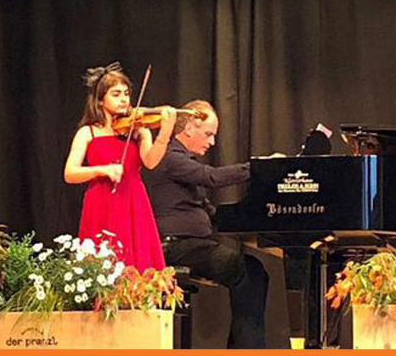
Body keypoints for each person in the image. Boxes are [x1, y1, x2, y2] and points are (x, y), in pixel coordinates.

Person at [143, 100, 268, 348]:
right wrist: (259, 168)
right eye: (208, 134)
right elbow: (211, 177)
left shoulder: (184, 162)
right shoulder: (169, 156)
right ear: (189, 127)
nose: (212, 142)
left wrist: (254, 220)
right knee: (249, 271)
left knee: (253, 271)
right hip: (175, 245)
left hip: (190, 245)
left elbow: (209, 211)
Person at [63, 61, 176, 271]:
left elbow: (151, 162)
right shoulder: (88, 132)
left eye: (126, 93)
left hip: (133, 199)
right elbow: (70, 173)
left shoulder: (138, 130)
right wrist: (103, 169)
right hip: (101, 201)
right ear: (100, 100)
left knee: (138, 262)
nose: (124, 99)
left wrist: (165, 132)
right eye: (116, 94)